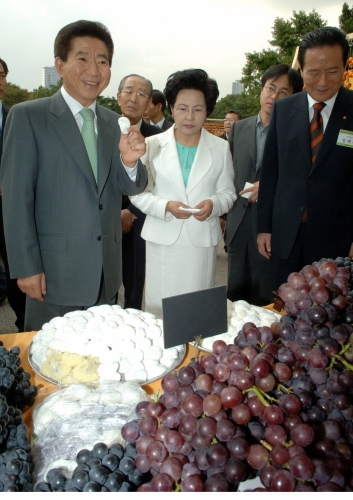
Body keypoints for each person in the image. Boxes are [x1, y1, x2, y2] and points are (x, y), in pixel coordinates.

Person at [0, 21, 148, 331]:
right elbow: (16, 199)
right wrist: (26, 267)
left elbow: (131, 185)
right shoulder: (29, 116)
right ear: (60, 64)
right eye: (82, 57)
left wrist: (130, 162)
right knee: (53, 365)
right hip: (54, 276)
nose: (94, 69)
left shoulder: (113, 122)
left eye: (103, 60)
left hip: (106, 274)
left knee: (104, 365)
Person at [131, 69, 237, 318]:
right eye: (182, 108)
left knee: (196, 312)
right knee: (161, 312)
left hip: (200, 243)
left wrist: (213, 203)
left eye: (198, 109)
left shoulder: (220, 148)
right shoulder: (152, 145)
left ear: (207, 110)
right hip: (163, 241)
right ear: (171, 107)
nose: (190, 116)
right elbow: (138, 194)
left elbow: (229, 194)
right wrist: (166, 206)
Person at [257, 26, 353, 291]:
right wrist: (264, 227)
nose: (322, 81)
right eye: (313, 72)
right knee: (282, 306)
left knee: (330, 313)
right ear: (301, 70)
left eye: (333, 71)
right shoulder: (284, 108)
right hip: (285, 235)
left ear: (345, 67)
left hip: (338, 239)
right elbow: (271, 172)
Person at [225, 65, 303, 305]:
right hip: (237, 222)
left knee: (266, 295)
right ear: (261, 91)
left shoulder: (297, 133)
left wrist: (269, 185)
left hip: (271, 226)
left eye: (283, 92)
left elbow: (300, 178)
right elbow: (229, 173)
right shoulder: (239, 128)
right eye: (271, 88)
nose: (275, 96)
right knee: (234, 294)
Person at [117, 74, 161, 310]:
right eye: (129, 91)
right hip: (105, 221)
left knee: (135, 284)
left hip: (141, 220)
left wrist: (131, 212)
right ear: (118, 97)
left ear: (148, 103)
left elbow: (161, 181)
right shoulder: (100, 129)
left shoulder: (159, 137)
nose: (134, 98)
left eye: (142, 94)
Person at [0, 58, 26, 330]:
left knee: (16, 270)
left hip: (12, 213)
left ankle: (22, 327)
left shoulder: (16, 117)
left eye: (2, 75)